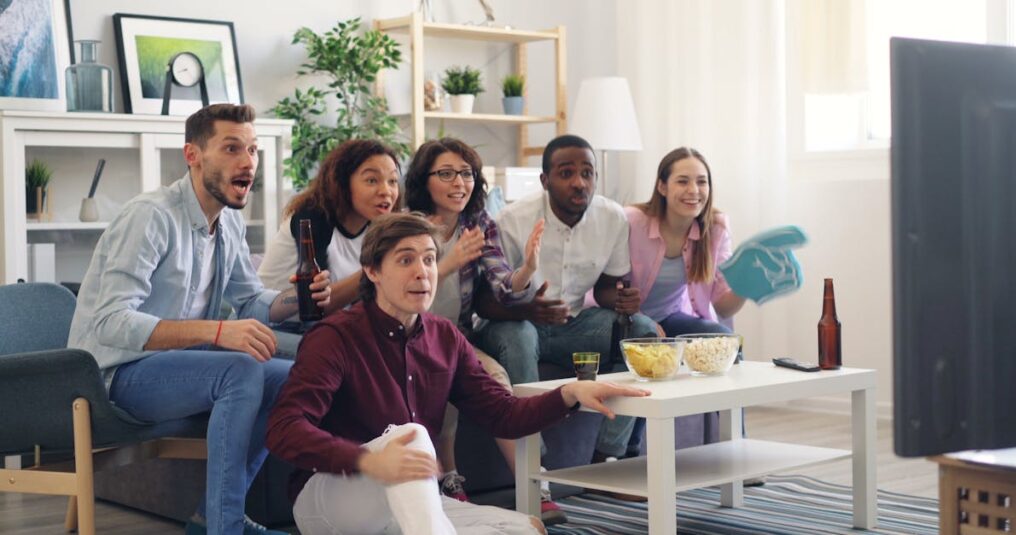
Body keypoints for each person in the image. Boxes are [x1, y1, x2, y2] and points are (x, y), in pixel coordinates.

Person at [266, 212, 649, 534]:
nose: (423, 272)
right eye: (405, 260)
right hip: (332, 495)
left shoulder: (444, 337)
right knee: (411, 436)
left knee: (526, 528)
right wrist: (367, 460)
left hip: (415, 504)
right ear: (372, 271)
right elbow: (284, 429)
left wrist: (569, 394)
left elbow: (502, 413)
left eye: (430, 259)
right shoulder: (334, 337)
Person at [67, 104, 332, 535]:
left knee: (290, 377)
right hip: (112, 375)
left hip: (178, 368)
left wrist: (294, 296)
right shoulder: (151, 217)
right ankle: (225, 528)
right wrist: (220, 333)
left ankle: (209, 520)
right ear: (193, 155)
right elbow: (111, 322)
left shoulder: (228, 223)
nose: (247, 162)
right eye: (231, 148)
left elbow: (249, 302)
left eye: (252, 149)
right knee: (241, 369)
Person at [472, 134, 660, 463]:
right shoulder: (512, 221)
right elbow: (482, 303)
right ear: (545, 180)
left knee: (643, 332)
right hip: (513, 324)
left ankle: (608, 456)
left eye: (588, 173)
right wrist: (528, 310)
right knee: (519, 336)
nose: (579, 183)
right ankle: (534, 460)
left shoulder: (612, 218)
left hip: (573, 325)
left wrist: (622, 301)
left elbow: (605, 289)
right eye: (566, 173)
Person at [404, 138, 562, 519]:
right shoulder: (405, 225)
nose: (459, 182)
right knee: (441, 378)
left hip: (456, 336)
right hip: (407, 335)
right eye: (446, 174)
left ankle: (531, 484)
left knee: (496, 379)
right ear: (424, 180)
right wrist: (446, 261)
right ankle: (449, 479)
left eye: (466, 173)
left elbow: (503, 284)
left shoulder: (477, 224)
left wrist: (525, 268)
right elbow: (399, 291)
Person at [258, 139, 401, 310]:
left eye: (392, 181)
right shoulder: (311, 217)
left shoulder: (375, 227)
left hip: (328, 326)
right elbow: (317, 305)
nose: (386, 191)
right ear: (343, 183)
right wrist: (376, 270)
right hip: (273, 324)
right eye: (371, 180)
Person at [627, 146, 745, 337]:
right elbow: (610, 290)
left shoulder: (716, 228)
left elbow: (723, 307)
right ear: (662, 187)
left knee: (724, 339)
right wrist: (644, 322)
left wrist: (747, 283)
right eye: (682, 181)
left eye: (702, 182)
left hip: (669, 317)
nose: (693, 190)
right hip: (623, 316)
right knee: (646, 333)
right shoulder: (632, 222)